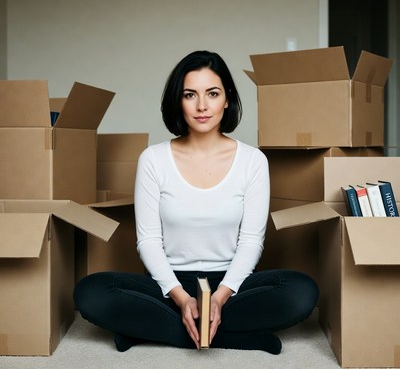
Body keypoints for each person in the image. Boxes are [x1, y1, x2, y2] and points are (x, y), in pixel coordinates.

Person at [74, 50, 319, 354]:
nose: (202, 105)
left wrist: (218, 298)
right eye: (190, 94)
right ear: (179, 100)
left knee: (301, 291)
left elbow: (252, 241)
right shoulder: (153, 159)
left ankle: (151, 330)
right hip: (168, 286)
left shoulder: (253, 161)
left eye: (212, 94)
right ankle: (239, 337)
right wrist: (181, 297)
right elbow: (148, 240)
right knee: (91, 292)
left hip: (232, 285)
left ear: (227, 99)